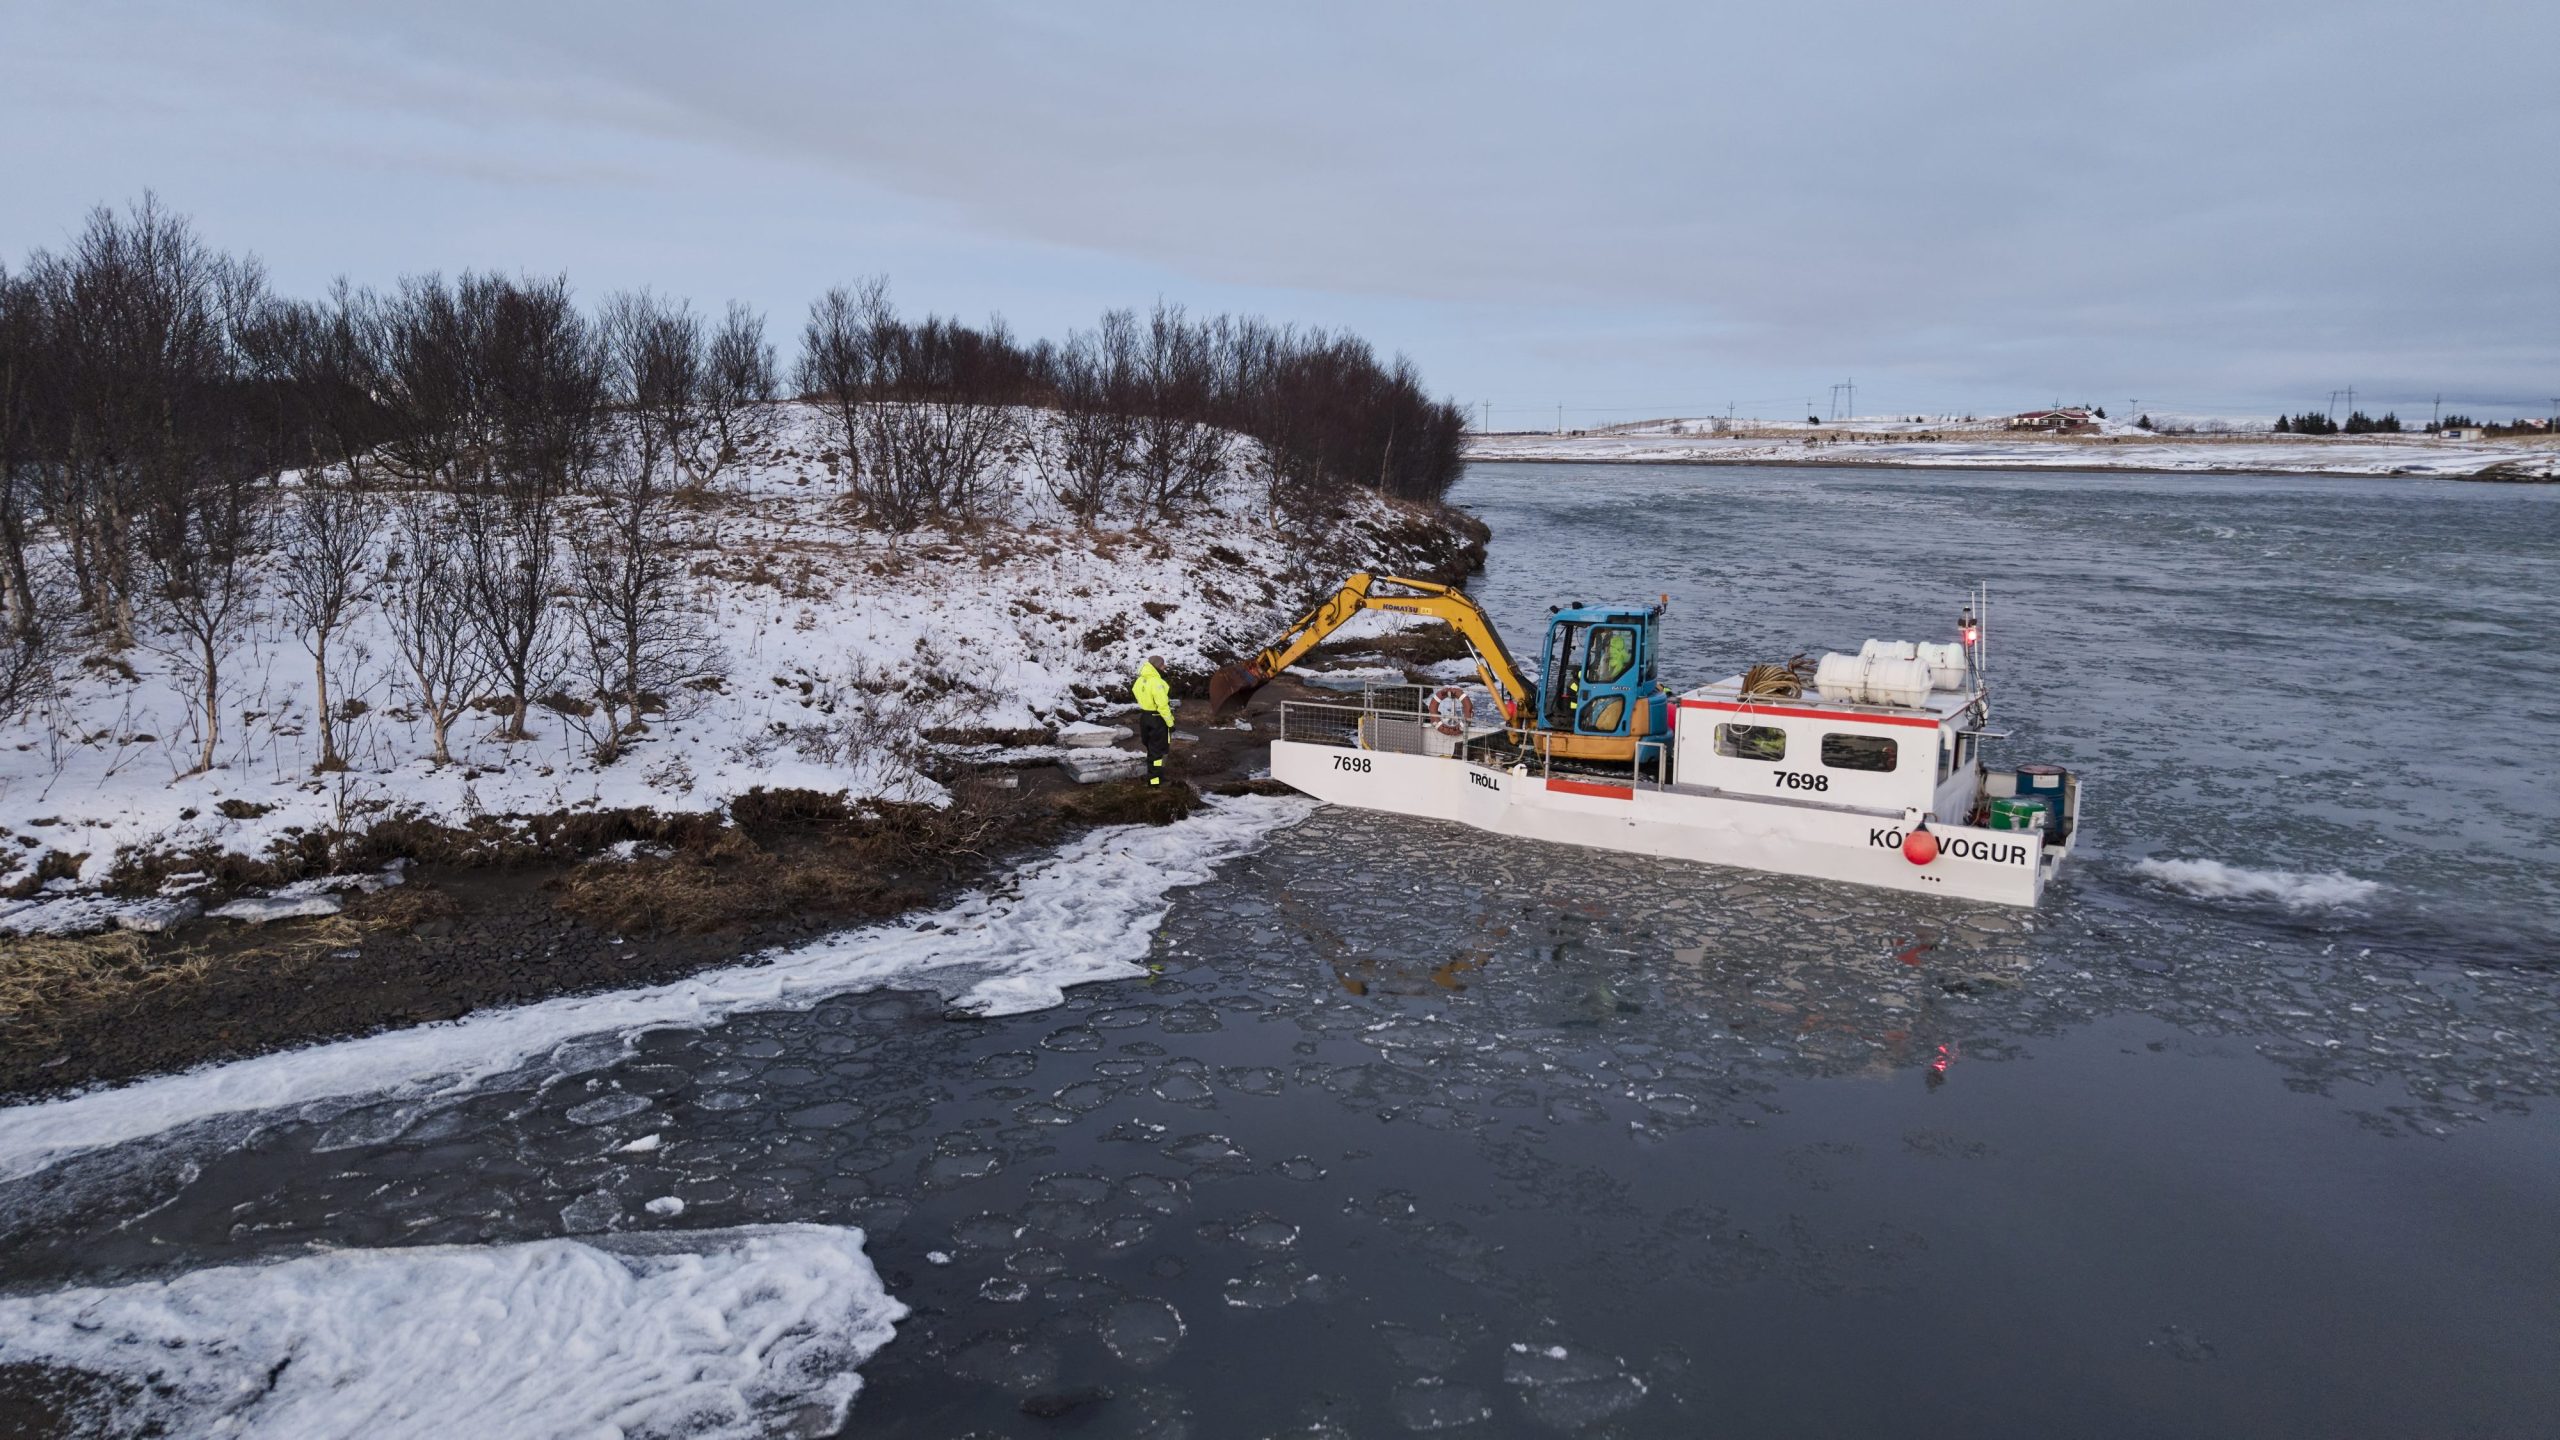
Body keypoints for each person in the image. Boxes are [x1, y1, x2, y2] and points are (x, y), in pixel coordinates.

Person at [1132, 654, 1174, 786]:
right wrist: (1170, 723)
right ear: (1157, 666)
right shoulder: (1157, 682)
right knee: (1158, 751)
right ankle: (1155, 782)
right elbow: (1163, 706)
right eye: (1163, 664)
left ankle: (1154, 777)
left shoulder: (1140, 680)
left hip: (1145, 717)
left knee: (1151, 748)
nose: (1165, 666)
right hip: (1157, 719)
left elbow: (1135, 691)